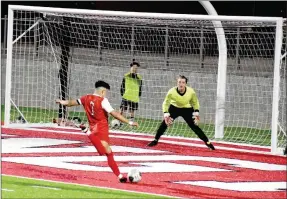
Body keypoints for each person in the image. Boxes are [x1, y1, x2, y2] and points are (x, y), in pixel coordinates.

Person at [56, 80, 139, 183]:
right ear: (103, 91)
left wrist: (63, 102)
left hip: (93, 127)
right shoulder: (103, 101)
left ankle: (120, 176)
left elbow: (72, 103)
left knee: (108, 152)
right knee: (103, 151)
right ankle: (86, 131)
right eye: (106, 92)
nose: (106, 94)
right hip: (101, 128)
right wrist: (129, 122)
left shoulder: (86, 97)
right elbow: (115, 114)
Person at [147, 75, 215, 150]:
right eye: (179, 82)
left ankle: (208, 142)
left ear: (185, 84)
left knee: (194, 126)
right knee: (164, 124)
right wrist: (166, 113)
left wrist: (196, 112)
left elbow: (195, 102)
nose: (181, 84)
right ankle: (155, 140)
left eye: (183, 82)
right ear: (177, 83)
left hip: (187, 109)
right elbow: (165, 103)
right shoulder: (171, 91)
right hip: (174, 108)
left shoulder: (191, 91)